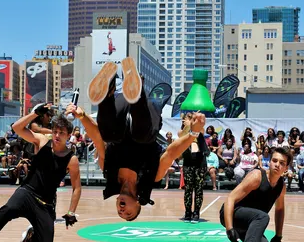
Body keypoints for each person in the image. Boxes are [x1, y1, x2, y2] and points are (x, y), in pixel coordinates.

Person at [66, 57, 206, 221]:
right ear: (138, 204)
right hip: (145, 113)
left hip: (119, 108)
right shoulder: (152, 177)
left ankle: (107, 90)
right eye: (128, 213)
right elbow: (170, 153)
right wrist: (193, 133)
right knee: (142, 137)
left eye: (119, 212)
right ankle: (136, 89)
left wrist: (82, 116)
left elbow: (97, 138)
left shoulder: (109, 173)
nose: (122, 211)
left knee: (109, 136)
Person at [0, 105, 81, 242]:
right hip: (27, 192)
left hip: (45, 203)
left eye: (61, 133)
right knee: (7, 209)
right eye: (55, 131)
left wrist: (71, 212)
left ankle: (32, 235)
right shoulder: (42, 141)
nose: (57, 135)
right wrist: (34, 114)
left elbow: (77, 188)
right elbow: (17, 128)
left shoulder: (71, 159)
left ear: (68, 135)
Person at [204, 147, 290, 242]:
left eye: (282, 163)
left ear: (286, 167)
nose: (277, 165)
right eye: (274, 160)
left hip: (251, 223)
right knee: (262, 216)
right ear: (269, 162)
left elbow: (280, 209)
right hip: (232, 213)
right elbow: (230, 199)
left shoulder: (281, 186)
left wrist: (278, 235)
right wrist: (229, 228)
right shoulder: (257, 176)